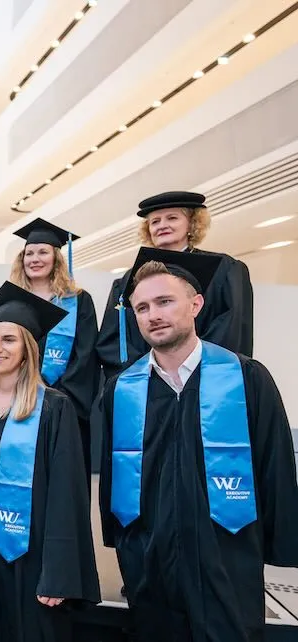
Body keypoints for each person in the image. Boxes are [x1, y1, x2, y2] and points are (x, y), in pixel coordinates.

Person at [95, 248, 298, 642]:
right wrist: (121, 541)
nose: (153, 314)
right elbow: (113, 477)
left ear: (196, 304)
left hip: (227, 555)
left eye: (165, 301)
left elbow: (275, 464)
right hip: (149, 560)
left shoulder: (245, 377)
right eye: (141, 308)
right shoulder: (122, 389)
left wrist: (280, 544)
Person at [0, 281, 100, 642]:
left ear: (29, 349)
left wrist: (60, 572)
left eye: (8, 340)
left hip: (31, 560)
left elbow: (68, 497)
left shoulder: (53, 408)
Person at [96, 191, 254, 379]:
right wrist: (152, 373)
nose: (162, 225)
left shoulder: (225, 269)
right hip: (146, 383)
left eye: (172, 218)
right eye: (155, 221)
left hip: (207, 380)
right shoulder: (128, 281)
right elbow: (112, 341)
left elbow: (230, 331)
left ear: (192, 224)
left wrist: (188, 367)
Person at [10, 218, 99, 486]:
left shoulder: (78, 300)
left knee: (64, 480)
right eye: (29, 253)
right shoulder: (13, 301)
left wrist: (57, 397)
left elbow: (85, 355)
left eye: (43, 252)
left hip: (65, 402)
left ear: (57, 258)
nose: (35, 259)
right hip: (18, 400)